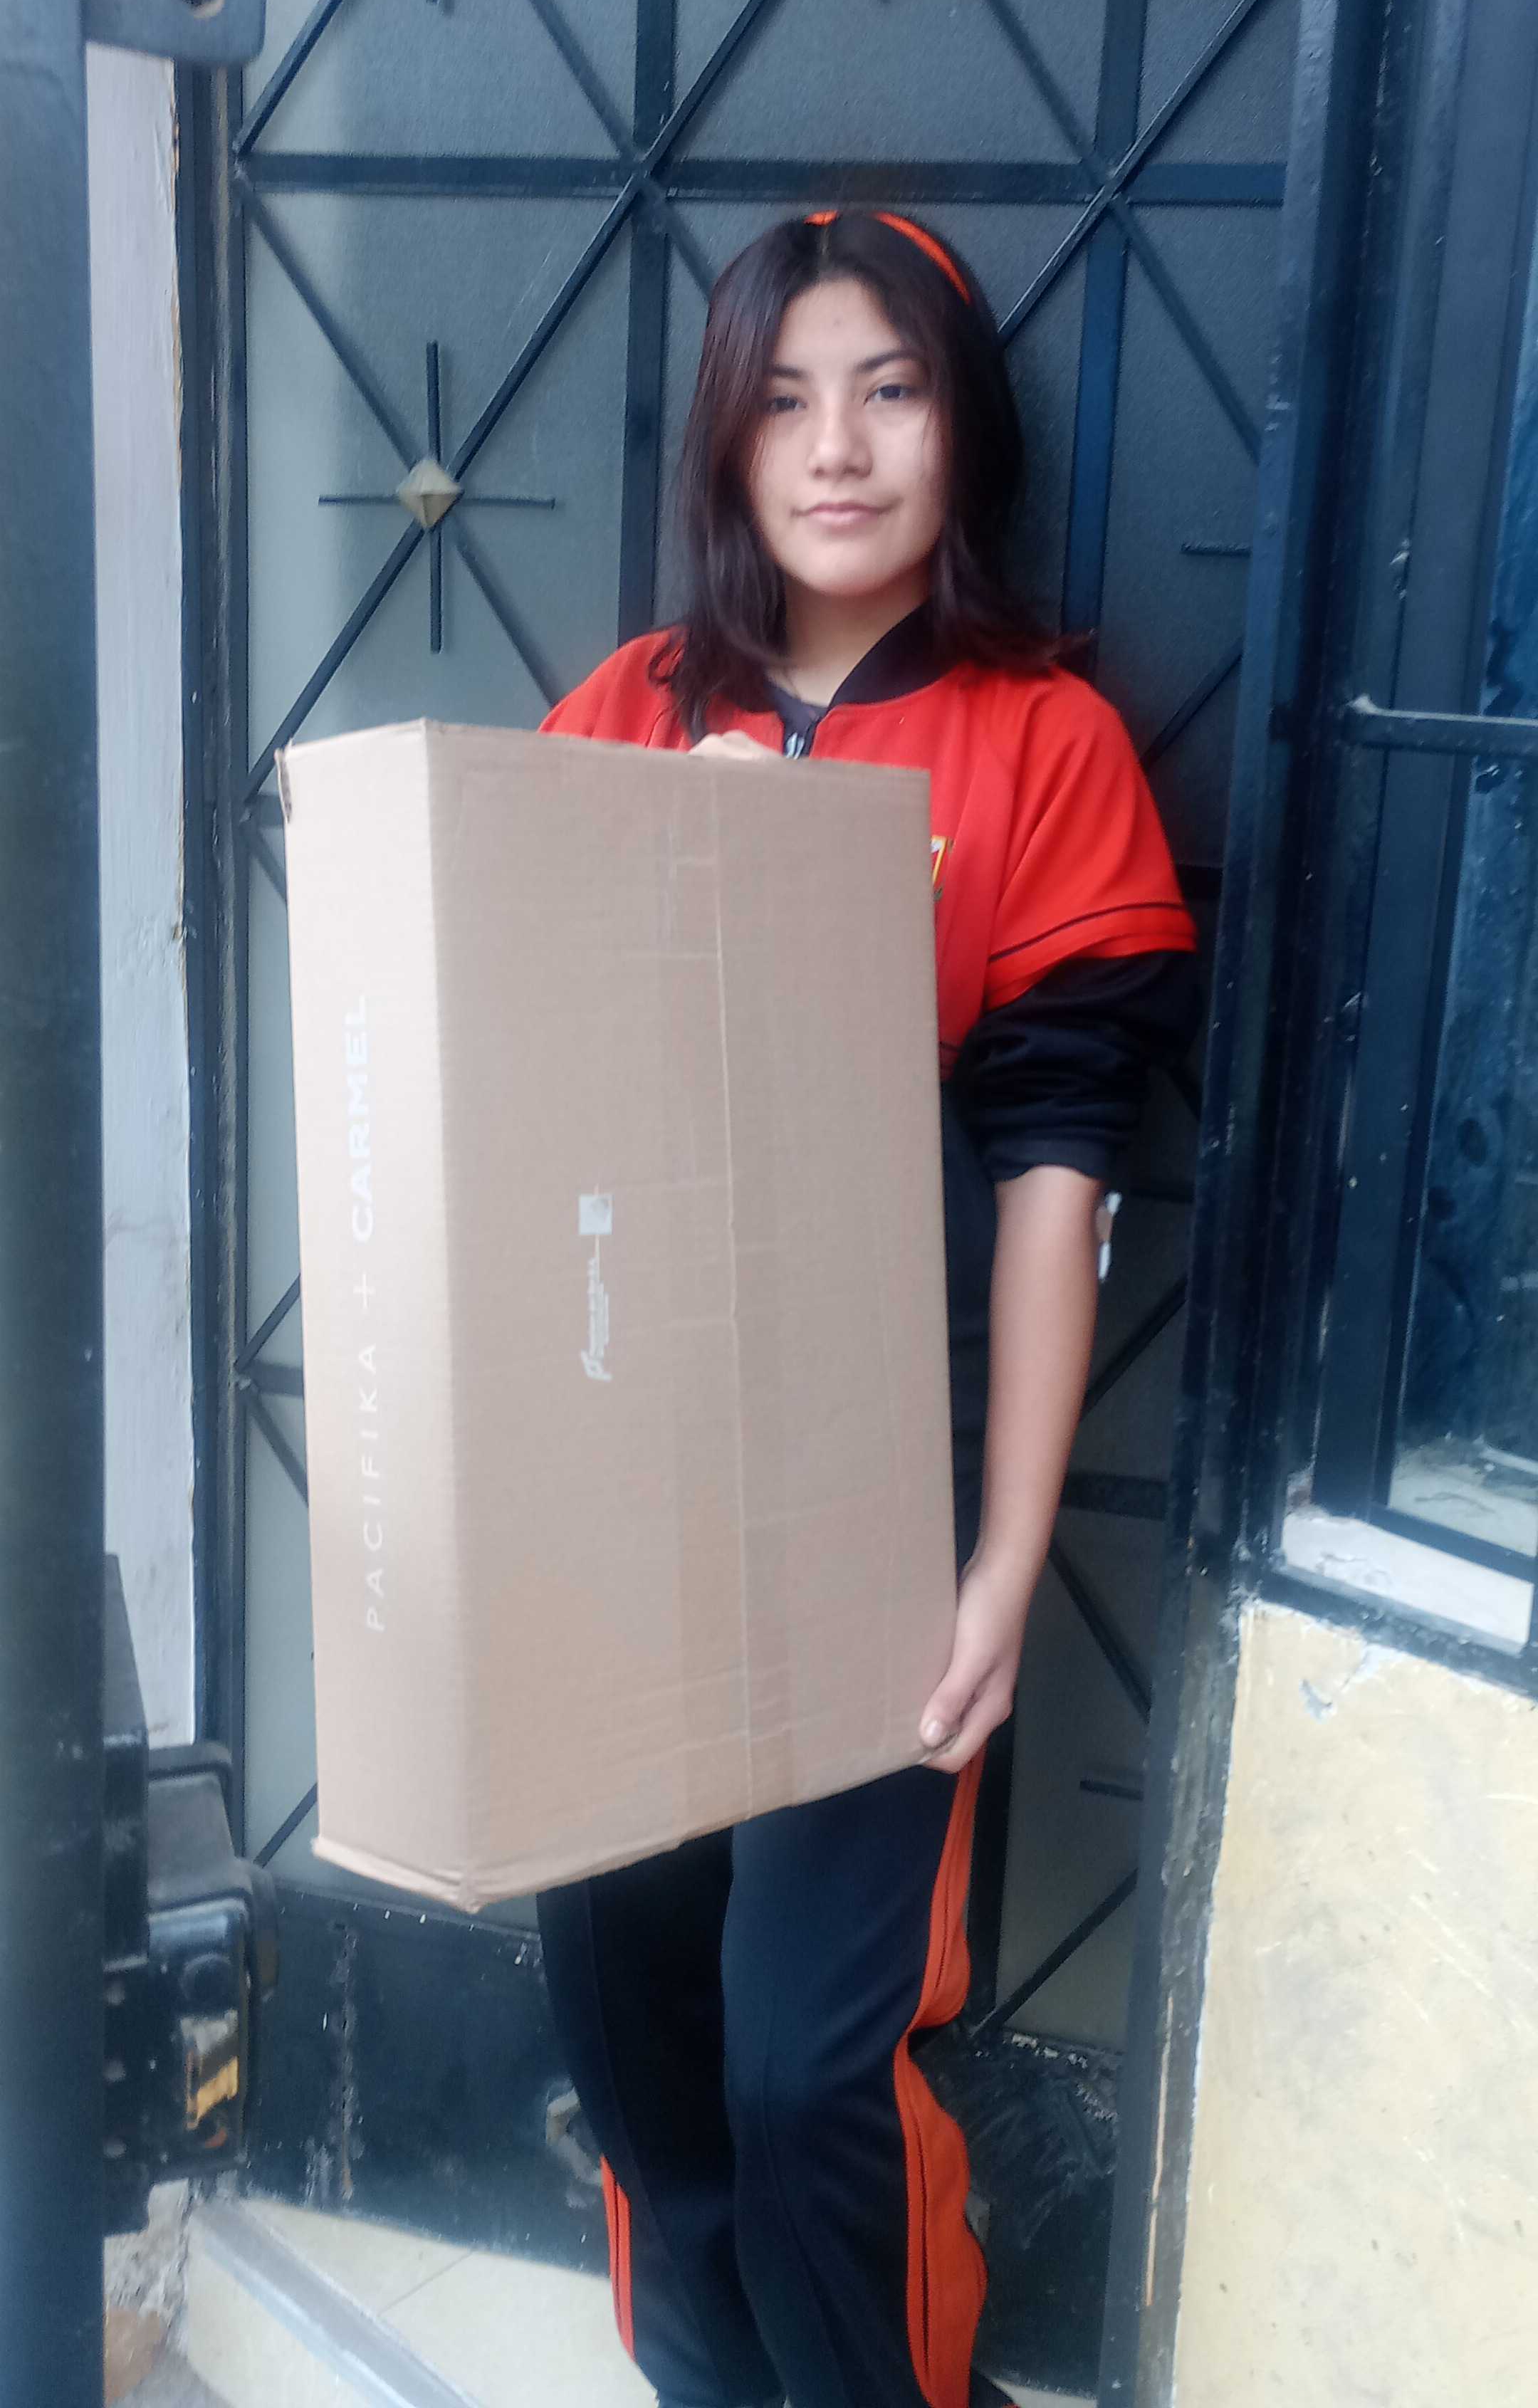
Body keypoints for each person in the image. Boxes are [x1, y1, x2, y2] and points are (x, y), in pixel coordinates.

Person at [534, 209, 1199, 2408]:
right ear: (727, 443)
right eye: (787, 400)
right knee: (634, 2039)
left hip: (865, 1518)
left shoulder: (1044, 744)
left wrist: (999, 1567)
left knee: (806, 2070)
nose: (836, 449)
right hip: (626, 1507)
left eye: (890, 392)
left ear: (960, 426)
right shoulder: (628, 714)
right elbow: (514, 1114)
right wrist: (669, 870)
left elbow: (1056, 1186)